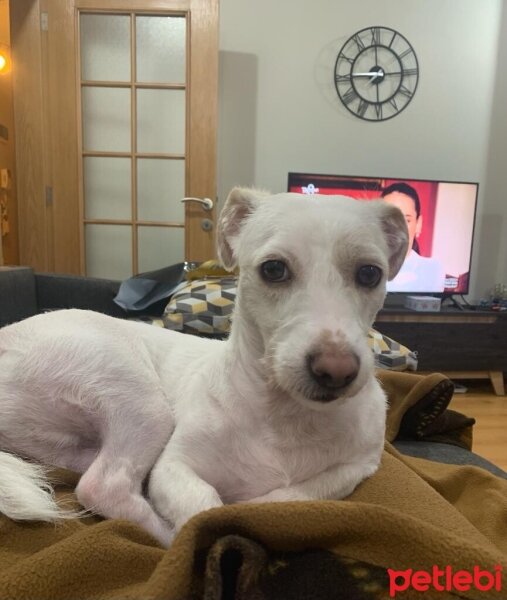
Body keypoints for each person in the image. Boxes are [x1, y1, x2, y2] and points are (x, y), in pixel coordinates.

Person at [381, 182, 446, 293]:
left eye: (406, 220)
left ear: (418, 224)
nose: (397, 228)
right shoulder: (363, 267)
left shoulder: (432, 269)